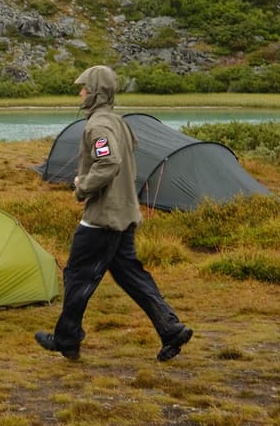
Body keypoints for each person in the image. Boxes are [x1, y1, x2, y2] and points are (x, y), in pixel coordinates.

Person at [35, 65, 192, 362]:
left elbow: (109, 163)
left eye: (83, 88)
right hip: (125, 212)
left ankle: (67, 339)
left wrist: (83, 186)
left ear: (95, 91)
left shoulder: (99, 126)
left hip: (103, 217)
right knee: (131, 275)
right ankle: (171, 329)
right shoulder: (118, 122)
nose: (80, 93)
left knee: (78, 275)